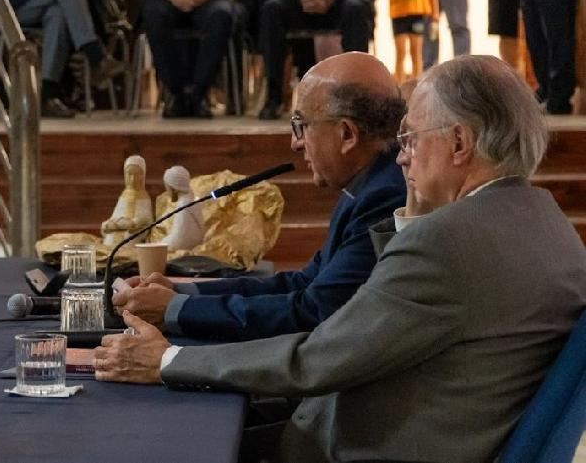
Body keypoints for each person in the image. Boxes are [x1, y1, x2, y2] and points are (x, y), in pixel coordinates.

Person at [96, 54, 586, 463]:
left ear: (459, 142)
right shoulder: (548, 223)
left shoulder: (450, 242)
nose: (401, 156)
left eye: (411, 138)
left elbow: (317, 358)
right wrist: (415, 218)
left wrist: (169, 360)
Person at [113, 52, 406, 341]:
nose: (295, 143)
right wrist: (179, 292)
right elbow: (304, 282)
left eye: (301, 126)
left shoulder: (384, 196)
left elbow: (313, 311)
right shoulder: (370, 183)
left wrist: (176, 308)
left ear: (347, 135)